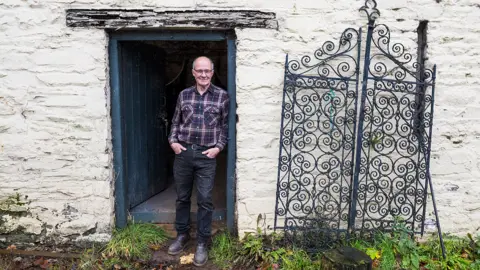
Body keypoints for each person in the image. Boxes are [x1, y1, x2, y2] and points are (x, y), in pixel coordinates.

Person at [167, 56, 229, 267]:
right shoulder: (184, 95)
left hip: (206, 156)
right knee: (182, 197)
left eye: (207, 71)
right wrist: (173, 141)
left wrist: (218, 148)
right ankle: (182, 235)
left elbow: (225, 127)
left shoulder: (222, 96)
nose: (203, 74)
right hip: (183, 153)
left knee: (204, 199)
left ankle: (202, 242)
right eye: (199, 71)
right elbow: (176, 121)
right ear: (193, 73)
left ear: (212, 73)